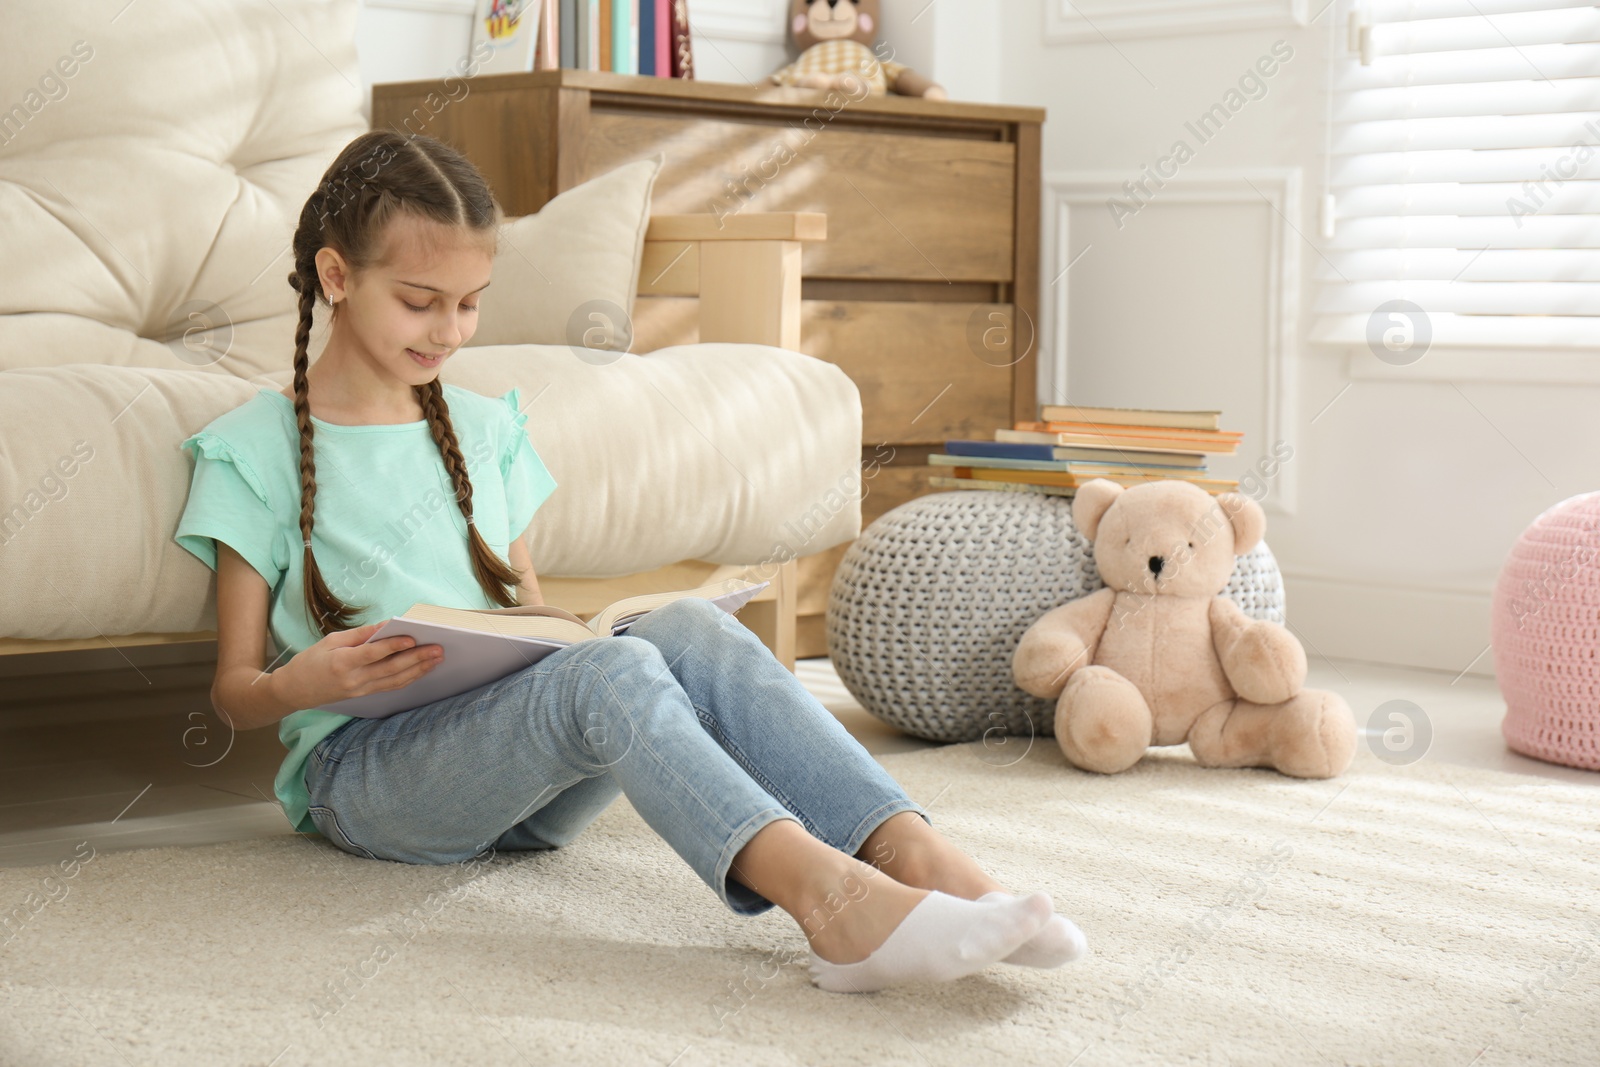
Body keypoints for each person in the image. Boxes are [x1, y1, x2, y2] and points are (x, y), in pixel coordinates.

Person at [173, 130, 1086, 994]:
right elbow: (235, 690)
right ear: (337, 276)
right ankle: (834, 908)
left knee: (674, 628)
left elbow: (529, 614)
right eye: (420, 301)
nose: (450, 330)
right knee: (609, 673)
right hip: (368, 781)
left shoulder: (485, 429)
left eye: (470, 301)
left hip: (522, 790)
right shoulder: (251, 450)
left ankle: (918, 858)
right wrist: (307, 680)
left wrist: (569, 635)